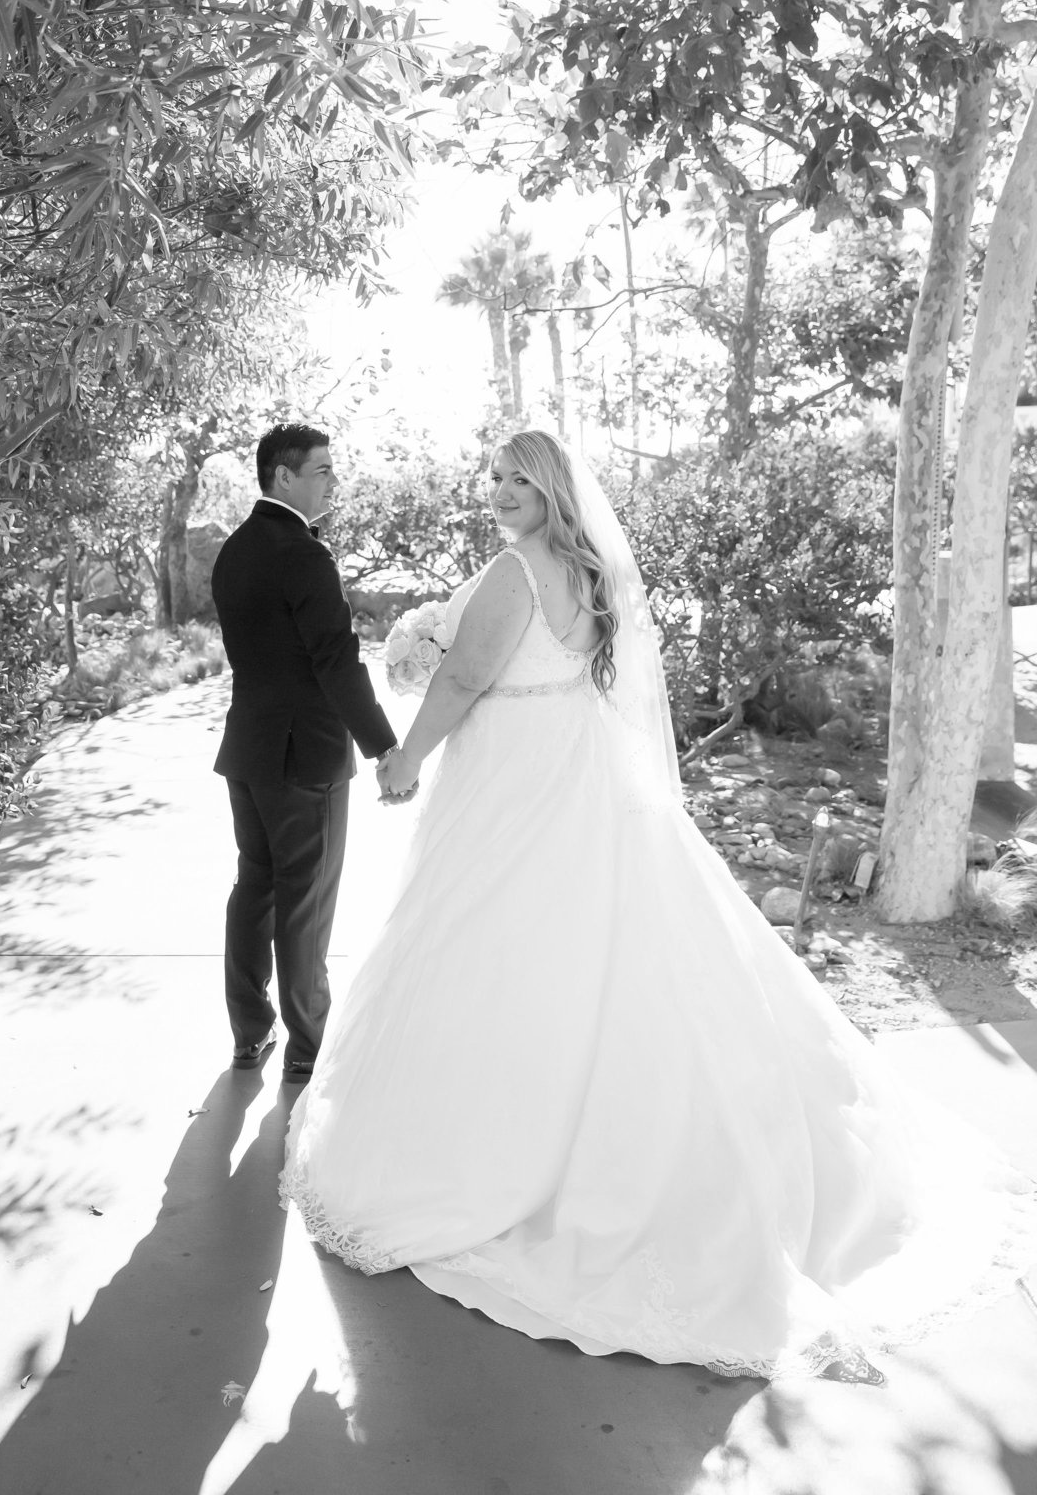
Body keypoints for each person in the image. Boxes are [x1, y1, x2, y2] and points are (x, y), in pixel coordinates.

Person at [280, 428, 1037, 1380]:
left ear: (554, 488)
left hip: (514, 786)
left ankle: (502, 1156)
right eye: (498, 478)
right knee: (592, 955)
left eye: (521, 478)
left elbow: (470, 678)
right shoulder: (590, 573)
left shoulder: (516, 572)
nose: (504, 492)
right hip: (575, 772)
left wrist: (403, 757)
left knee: (503, 954)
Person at [211, 423, 411, 1084]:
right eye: (322, 469)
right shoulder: (304, 555)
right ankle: (308, 1043)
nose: (333, 480)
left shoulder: (233, 552)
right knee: (305, 902)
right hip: (306, 759)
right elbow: (335, 661)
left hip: (249, 750)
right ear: (283, 476)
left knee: (256, 888)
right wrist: (383, 744)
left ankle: (249, 1033)